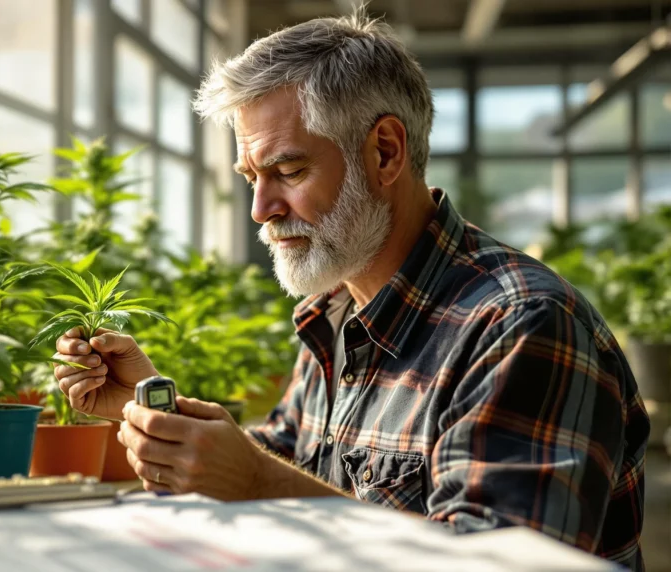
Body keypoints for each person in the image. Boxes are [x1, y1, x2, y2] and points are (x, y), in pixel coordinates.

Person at [52, 13, 649, 571]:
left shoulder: (521, 325)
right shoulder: (336, 307)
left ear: (384, 153)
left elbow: (497, 564)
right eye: (250, 179)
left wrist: (261, 484)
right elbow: (287, 458)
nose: (260, 210)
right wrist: (156, 411)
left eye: (288, 172)